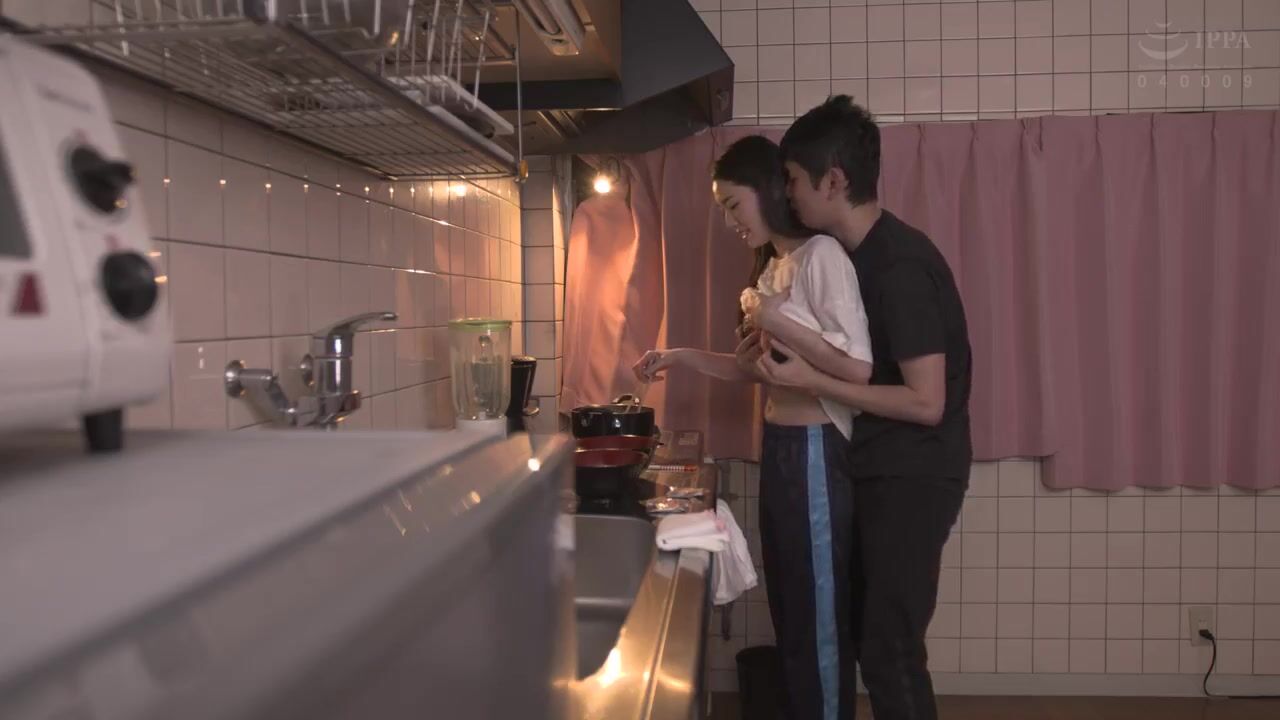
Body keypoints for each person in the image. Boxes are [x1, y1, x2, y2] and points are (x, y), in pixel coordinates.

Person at [632, 135, 872, 720]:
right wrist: (678, 356)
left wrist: (774, 320)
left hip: (816, 451)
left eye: (733, 205)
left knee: (816, 609)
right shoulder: (775, 267)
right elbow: (753, 371)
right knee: (790, 602)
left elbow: (858, 367)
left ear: (768, 192)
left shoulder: (821, 256)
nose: (729, 221)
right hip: (783, 446)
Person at [751, 96, 973, 720]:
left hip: (915, 474)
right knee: (861, 637)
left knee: (888, 649)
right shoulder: (842, 256)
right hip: (872, 465)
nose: (787, 194)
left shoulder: (901, 264)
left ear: (834, 180)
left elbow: (927, 402)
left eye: (793, 179)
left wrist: (815, 380)